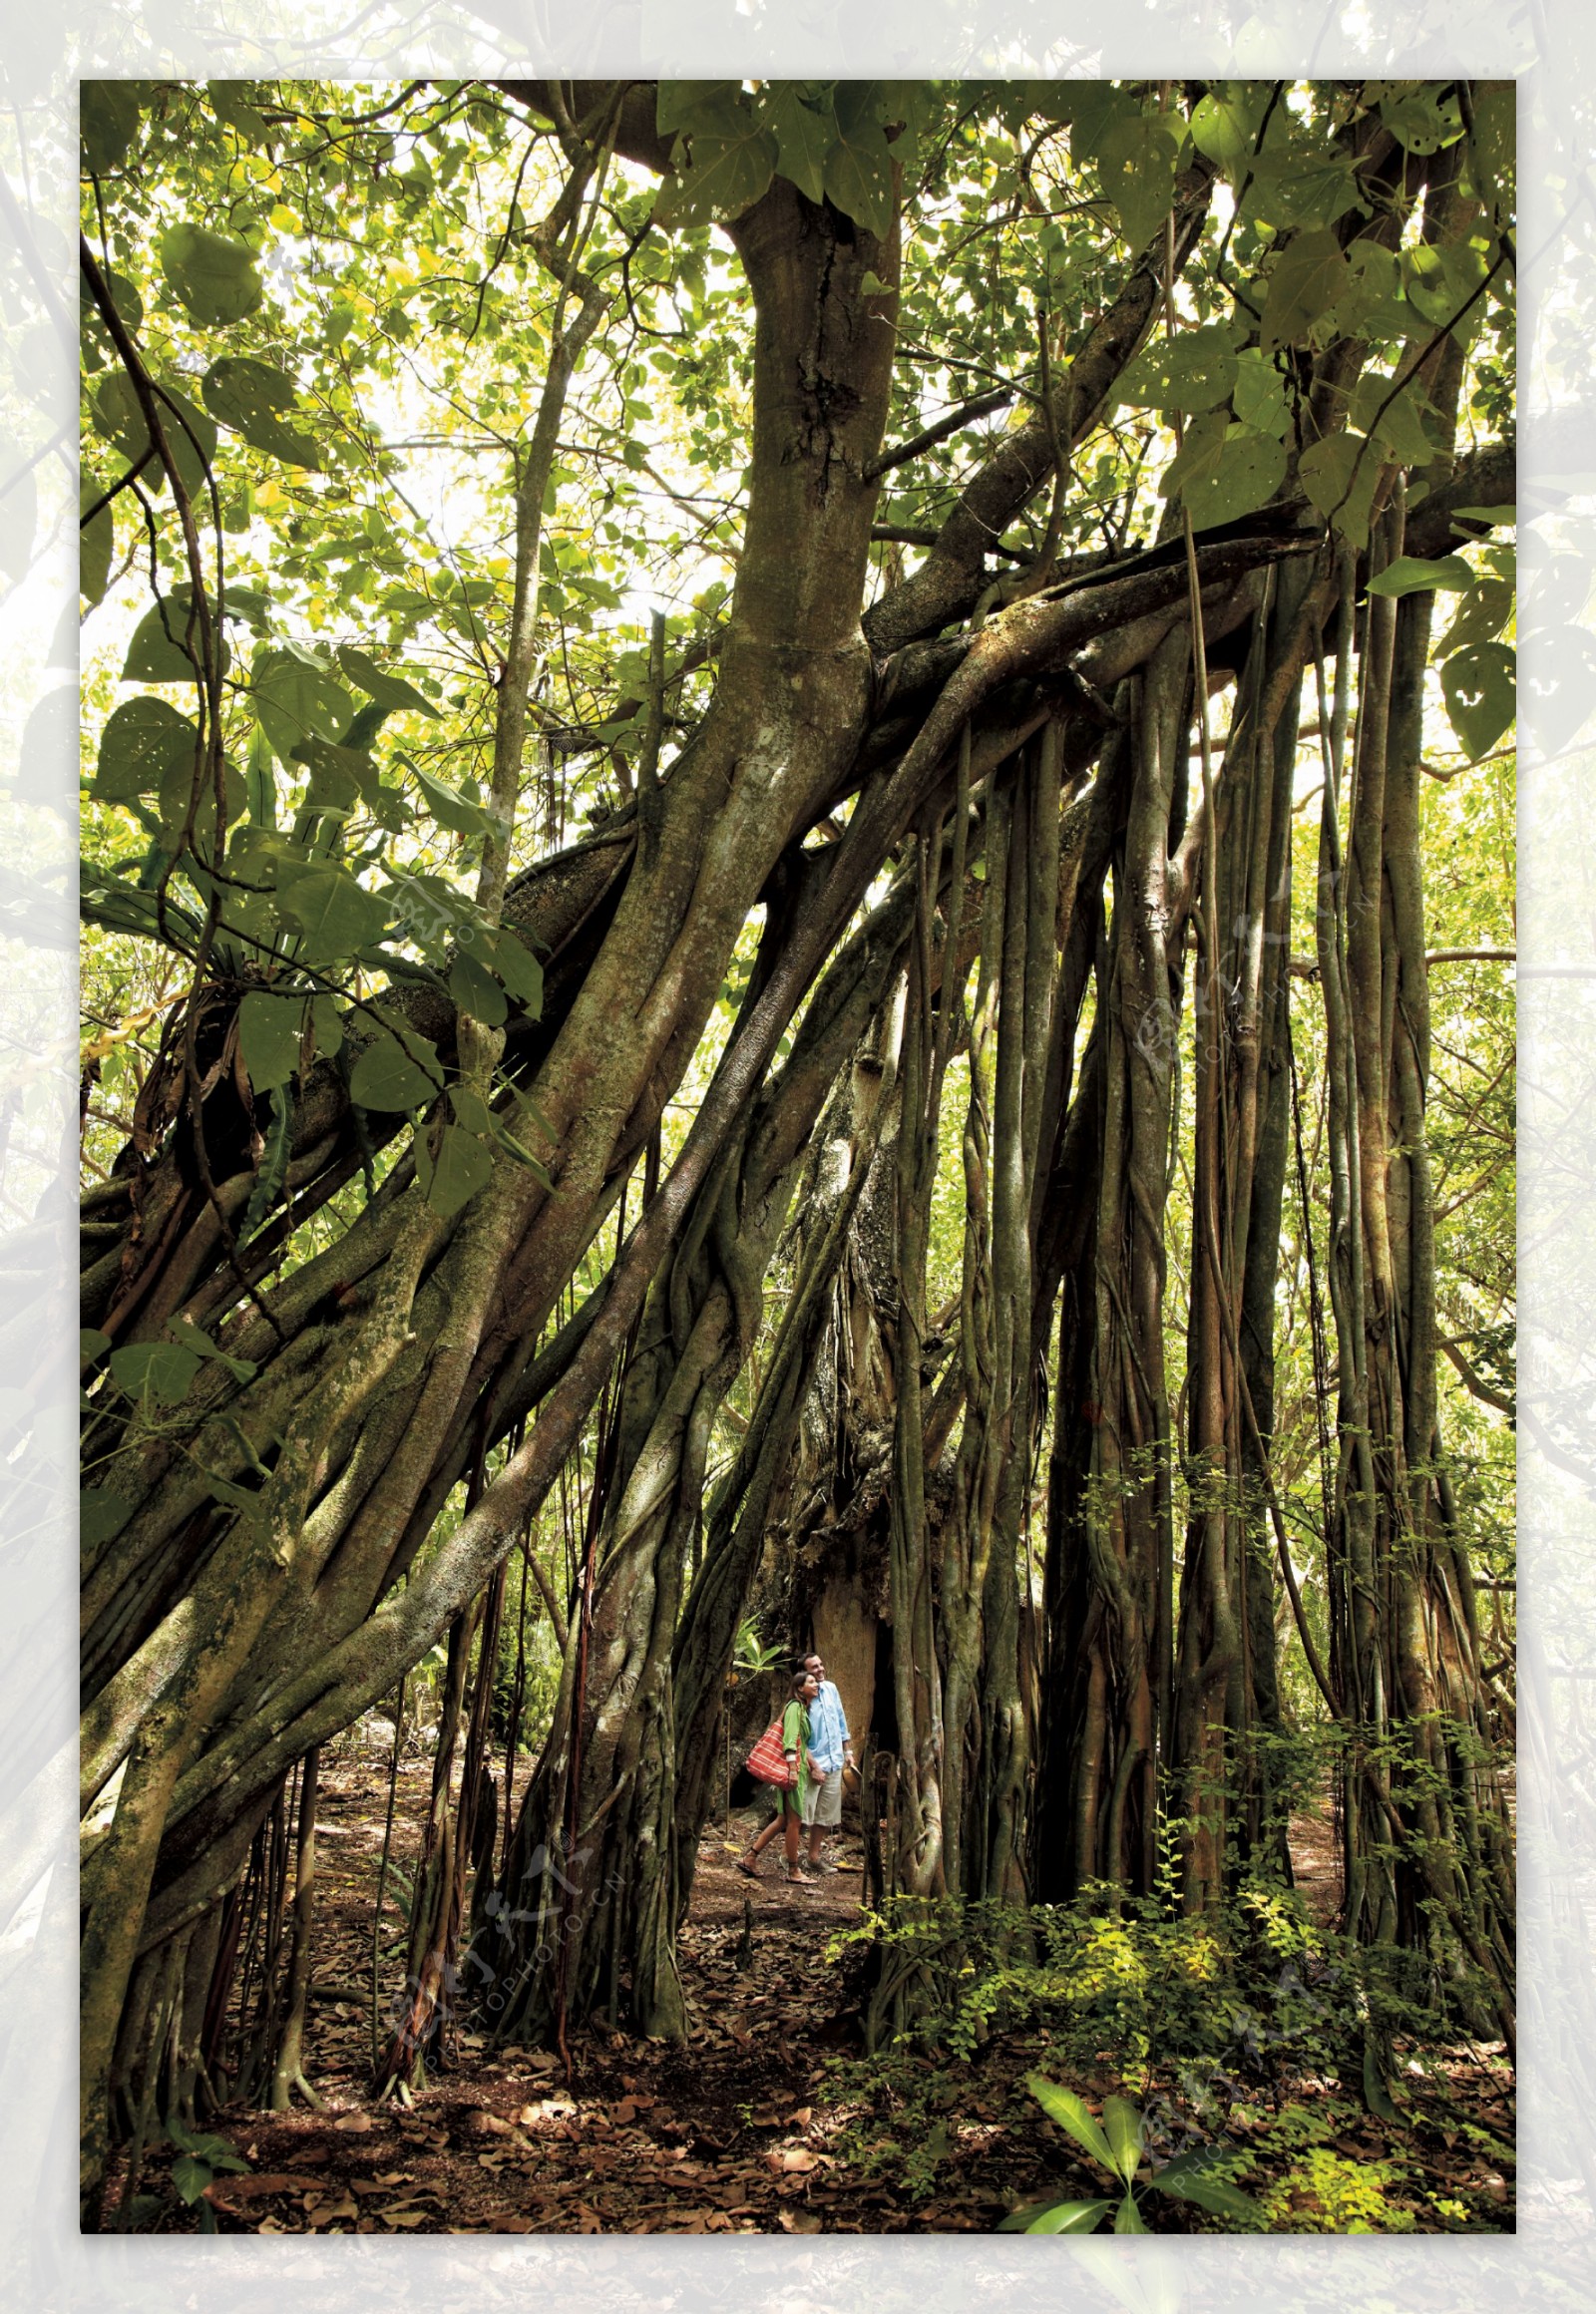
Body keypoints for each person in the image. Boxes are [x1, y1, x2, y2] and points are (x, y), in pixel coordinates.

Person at [738, 1671, 821, 1888]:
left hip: (797, 1770)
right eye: (811, 1682)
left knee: (783, 1820)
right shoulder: (795, 1707)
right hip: (793, 1771)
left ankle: (751, 1857)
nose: (816, 1684)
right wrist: (793, 1770)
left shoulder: (802, 1708)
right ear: (800, 1688)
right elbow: (789, 1739)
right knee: (794, 1821)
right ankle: (794, 1870)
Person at [800, 1650, 854, 1875]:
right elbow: (799, 1739)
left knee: (824, 1814)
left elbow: (841, 1720)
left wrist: (847, 1751)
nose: (820, 1669)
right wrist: (813, 1766)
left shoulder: (831, 1688)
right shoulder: (801, 1698)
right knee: (799, 1813)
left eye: (821, 1665)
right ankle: (789, 1857)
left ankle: (813, 1858)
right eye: (814, 1667)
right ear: (805, 1674)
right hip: (814, 1763)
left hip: (834, 1761)